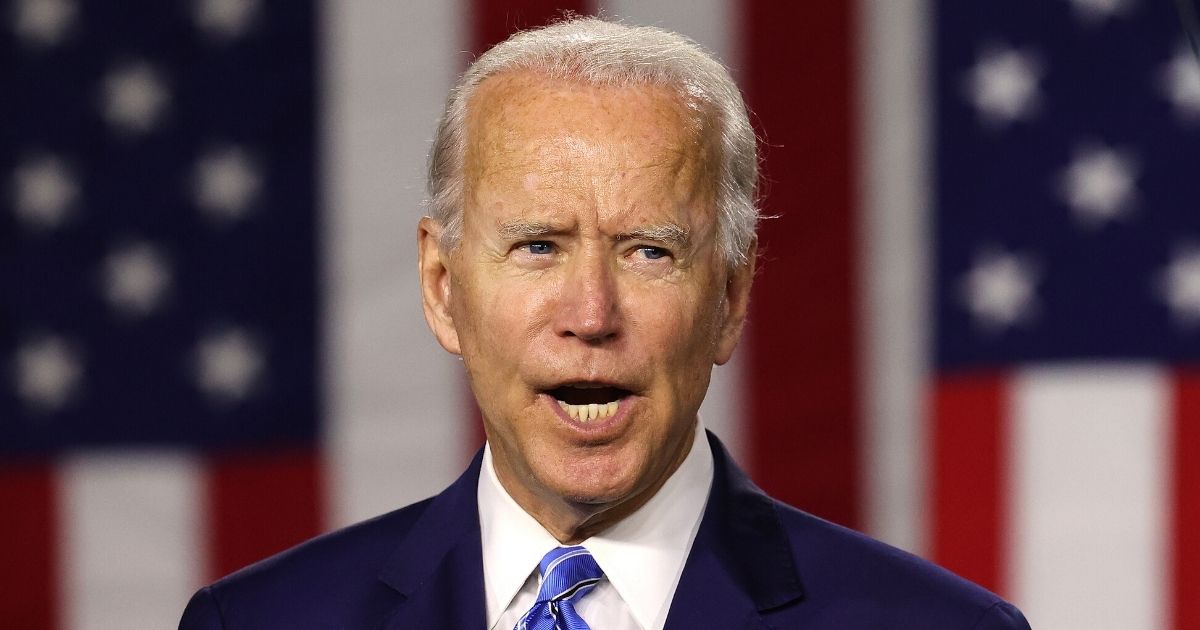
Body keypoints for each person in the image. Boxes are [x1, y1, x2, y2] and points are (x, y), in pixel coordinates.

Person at [180, 17, 1030, 630]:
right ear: (443, 287)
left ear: (731, 298)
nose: (591, 315)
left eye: (649, 252)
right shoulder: (257, 621)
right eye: (539, 246)